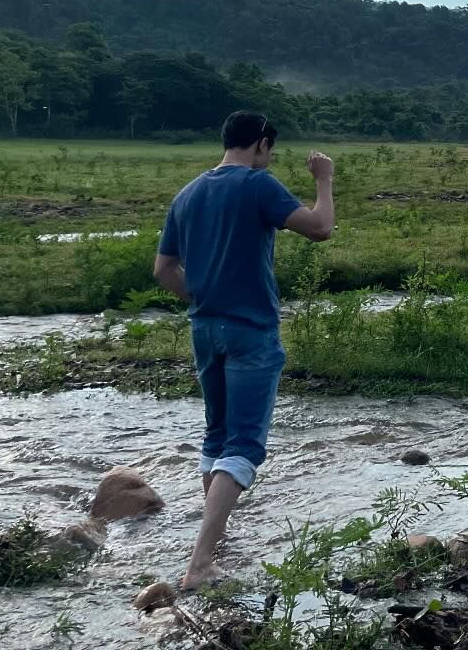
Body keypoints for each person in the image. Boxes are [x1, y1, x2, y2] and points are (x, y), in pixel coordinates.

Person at [153, 111, 335, 589]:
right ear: (260, 144)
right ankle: (199, 563)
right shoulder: (259, 184)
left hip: (205, 330)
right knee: (245, 444)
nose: (268, 157)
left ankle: (218, 547)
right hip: (250, 330)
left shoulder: (187, 194)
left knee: (216, 437)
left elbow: (164, 271)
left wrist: (206, 295)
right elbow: (319, 228)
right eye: (269, 149)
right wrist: (324, 181)